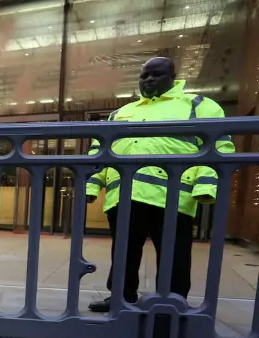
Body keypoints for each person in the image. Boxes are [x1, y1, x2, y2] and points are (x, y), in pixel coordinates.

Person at [85, 57, 234, 313]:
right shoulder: (120, 113)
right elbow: (100, 151)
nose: (149, 79)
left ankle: (172, 302)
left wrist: (206, 186)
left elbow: (218, 147)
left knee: (174, 256)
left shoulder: (198, 105)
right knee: (123, 254)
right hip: (123, 196)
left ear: (173, 77)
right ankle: (121, 298)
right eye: (144, 76)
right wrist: (91, 185)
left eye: (156, 74)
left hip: (173, 196)